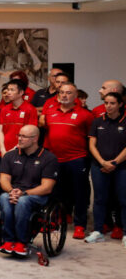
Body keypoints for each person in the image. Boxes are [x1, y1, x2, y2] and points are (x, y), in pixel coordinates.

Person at [42, 83, 93, 240]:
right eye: (61, 92)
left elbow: (90, 139)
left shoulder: (85, 115)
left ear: (75, 96)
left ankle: (79, 226)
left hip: (77, 159)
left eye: (68, 93)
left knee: (80, 193)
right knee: (55, 192)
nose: (64, 95)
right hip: (54, 159)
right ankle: (55, 220)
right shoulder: (49, 113)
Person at [0, 125, 58, 256]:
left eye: (23, 136)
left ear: (35, 138)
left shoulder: (49, 158)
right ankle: (8, 240)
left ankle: (21, 242)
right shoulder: (9, 156)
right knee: (3, 197)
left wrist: (24, 193)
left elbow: (47, 187)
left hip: (37, 195)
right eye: (19, 135)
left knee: (23, 202)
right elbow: (4, 180)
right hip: (14, 192)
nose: (19, 139)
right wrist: (11, 191)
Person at [86, 92, 126, 245]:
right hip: (99, 166)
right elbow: (92, 145)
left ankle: (125, 233)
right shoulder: (97, 121)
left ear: (120, 105)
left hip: (122, 167)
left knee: (123, 199)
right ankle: (97, 231)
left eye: (112, 103)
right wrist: (103, 162)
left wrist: (114, 163)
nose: (108, 106)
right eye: (106, 103)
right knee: (100, 199)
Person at [0, 79, 38, 157]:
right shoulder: (4, 109)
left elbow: (31, 133)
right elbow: (0, 131)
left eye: (12, 90)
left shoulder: (30, 109)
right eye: (8, 89)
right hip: (3, 152)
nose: (8, 93)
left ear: (21, 92)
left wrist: (14, 149)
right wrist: (2, 149)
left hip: (22, 152)